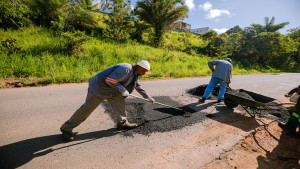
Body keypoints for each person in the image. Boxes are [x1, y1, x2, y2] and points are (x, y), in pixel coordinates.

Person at [60, 60, 155, 141]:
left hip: (113, 90)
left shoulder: (135, 74)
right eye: (144, 71)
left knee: (120, 104)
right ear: (139, 67)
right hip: (99, 88)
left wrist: (147, 97)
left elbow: (137, 86)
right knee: (87, 109)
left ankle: (122, 123)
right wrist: (123, 89)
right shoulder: (126, 69)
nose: (144, 73)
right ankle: (66, 128)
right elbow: (110, 80)